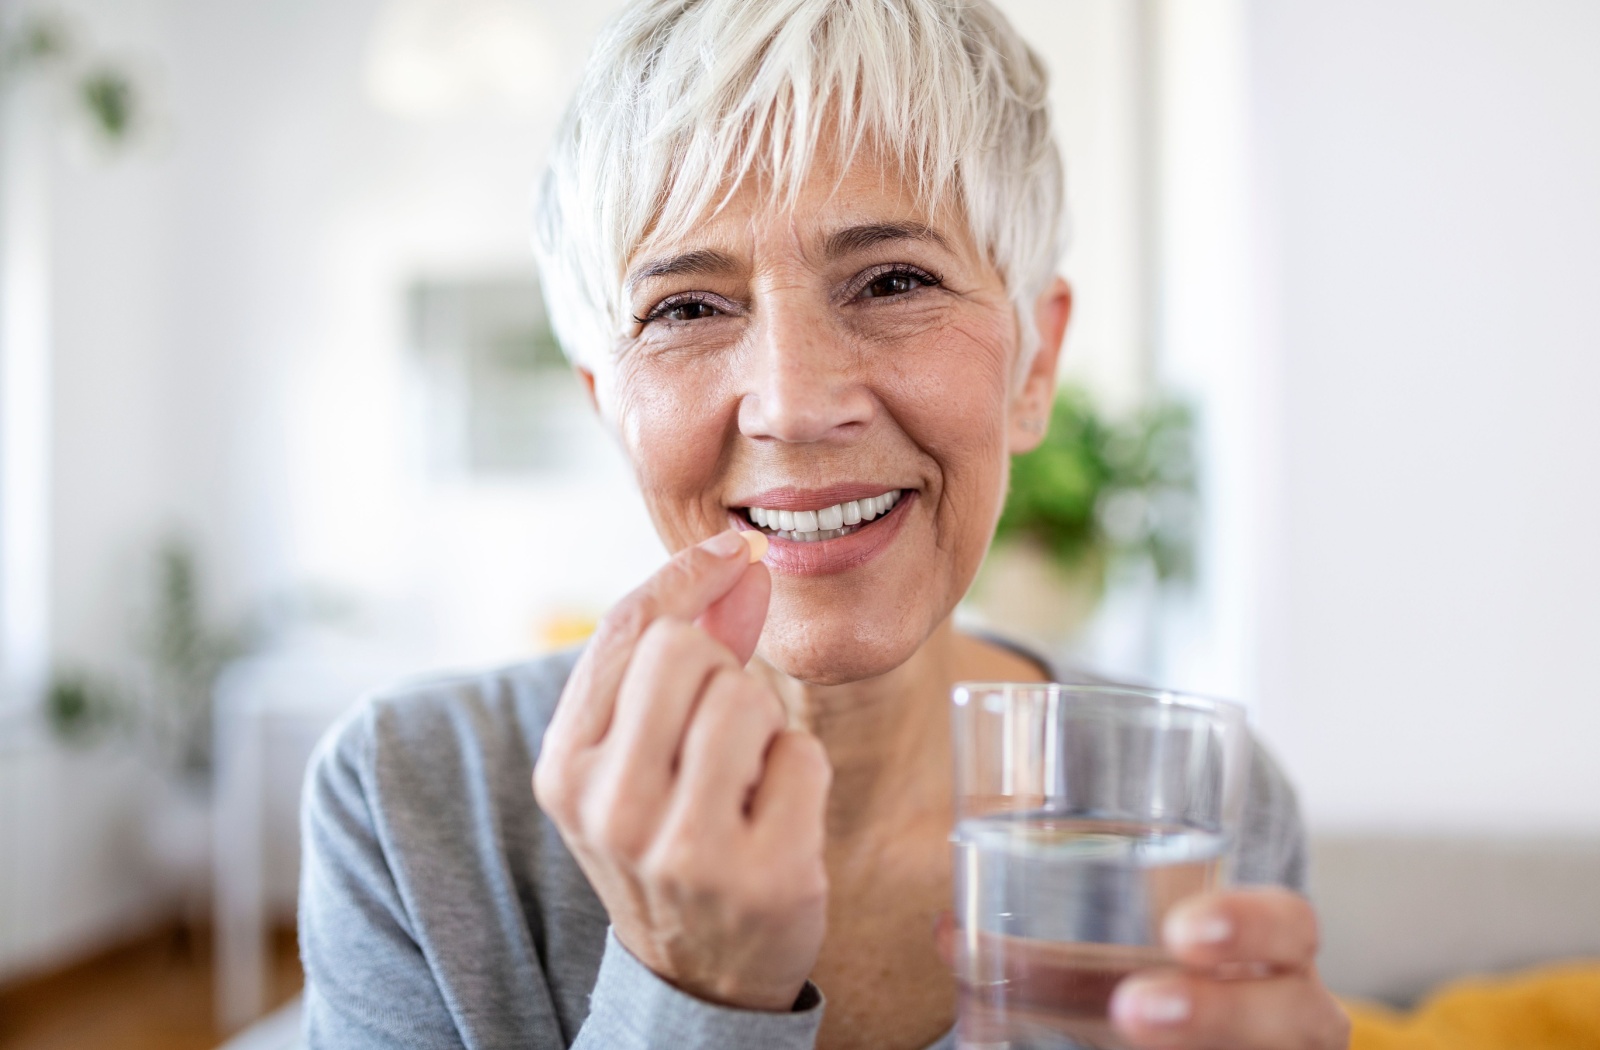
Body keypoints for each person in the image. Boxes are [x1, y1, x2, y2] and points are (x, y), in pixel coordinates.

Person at [298, 1, 1351, 1047]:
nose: (793, 404)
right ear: (604, 401)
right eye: (686, 309)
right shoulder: (408, 801)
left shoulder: (1194, 797)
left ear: (1034, 365)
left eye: (895, 280)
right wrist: (689, 990)